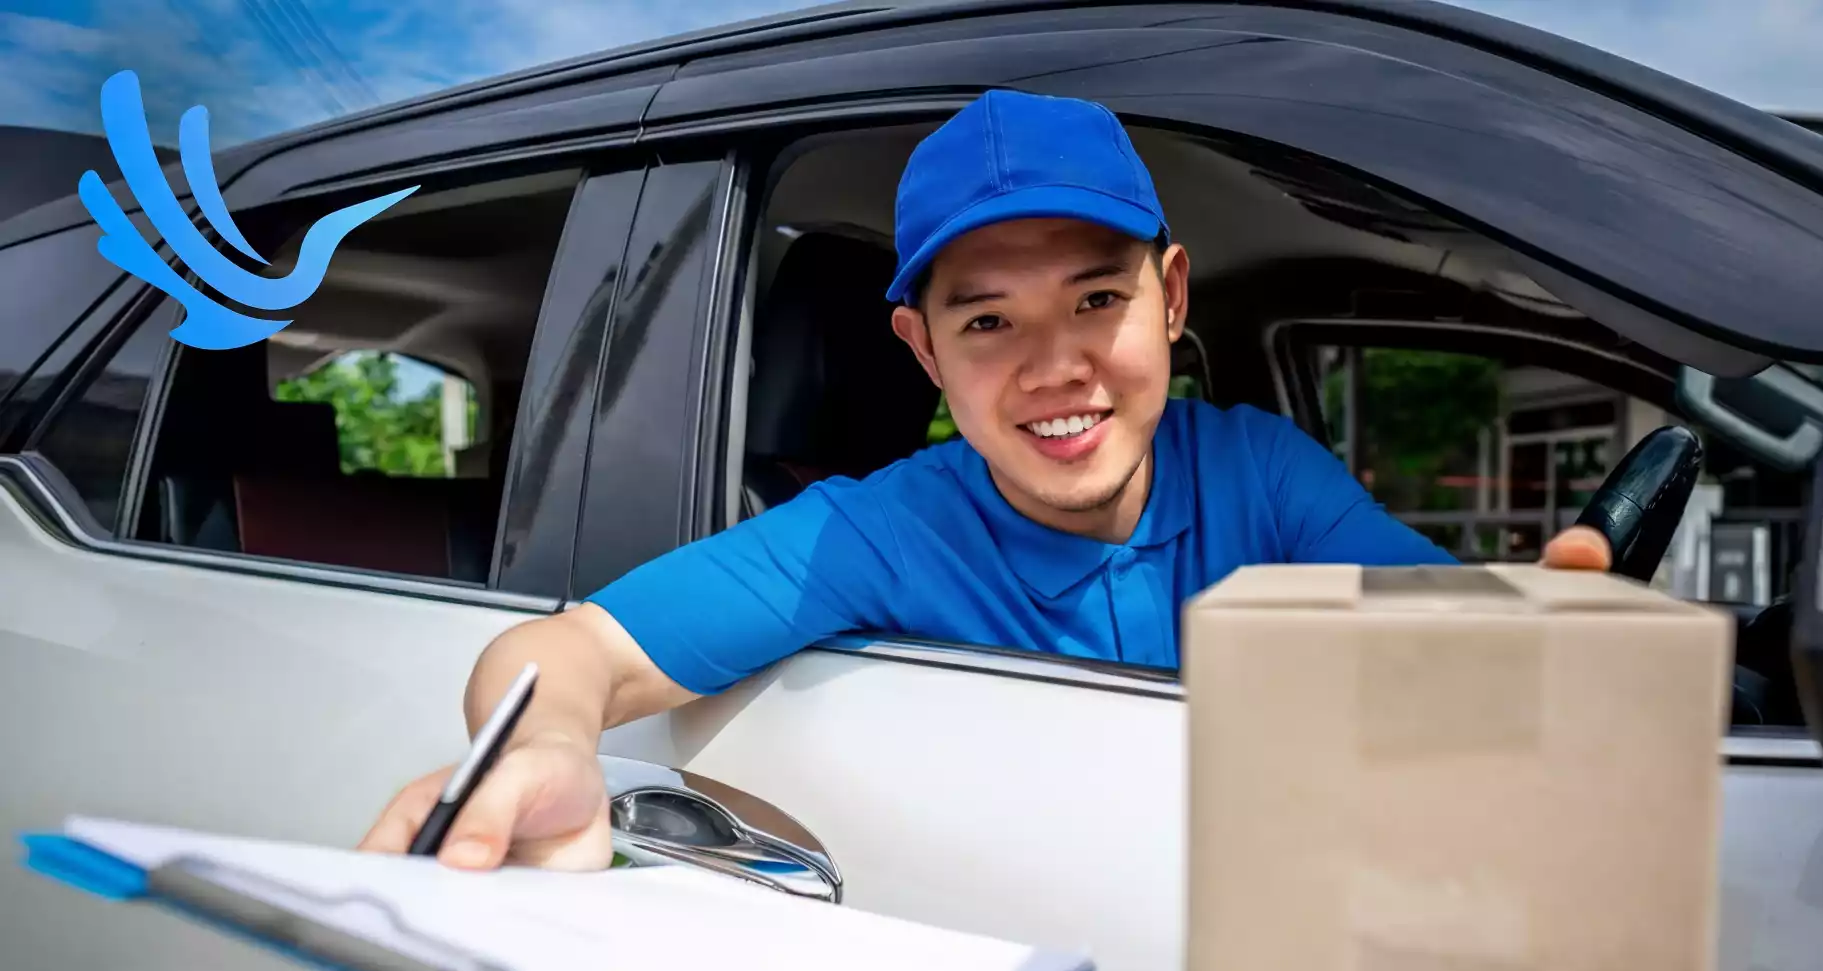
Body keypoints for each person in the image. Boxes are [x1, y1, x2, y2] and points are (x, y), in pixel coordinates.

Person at [358, 90, 1615, 872]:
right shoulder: (881, 530)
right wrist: (536, 746)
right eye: (987, 324)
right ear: (924, 353)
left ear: (1169, 300)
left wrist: (1541, 640)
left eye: (1097, 301)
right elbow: (573, 652)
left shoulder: (1259, 474)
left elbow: (1449, 643)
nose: (1055, 370)